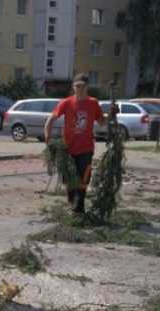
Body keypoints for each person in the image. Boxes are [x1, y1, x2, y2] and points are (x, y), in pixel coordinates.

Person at [44, 73, 112, 215]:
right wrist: (47, 136)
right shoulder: (66, 102)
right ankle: (72, 203)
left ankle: (79, 208)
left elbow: (101, 122)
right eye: (77, 86)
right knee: (69, 179)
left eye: (82, 86)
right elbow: (51, 119)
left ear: (87, 87)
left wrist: (111, 115)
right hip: (67, 148)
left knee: (84, 177)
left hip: (86, 148)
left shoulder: (93, 103)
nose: (79, 89)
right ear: (73, 87)